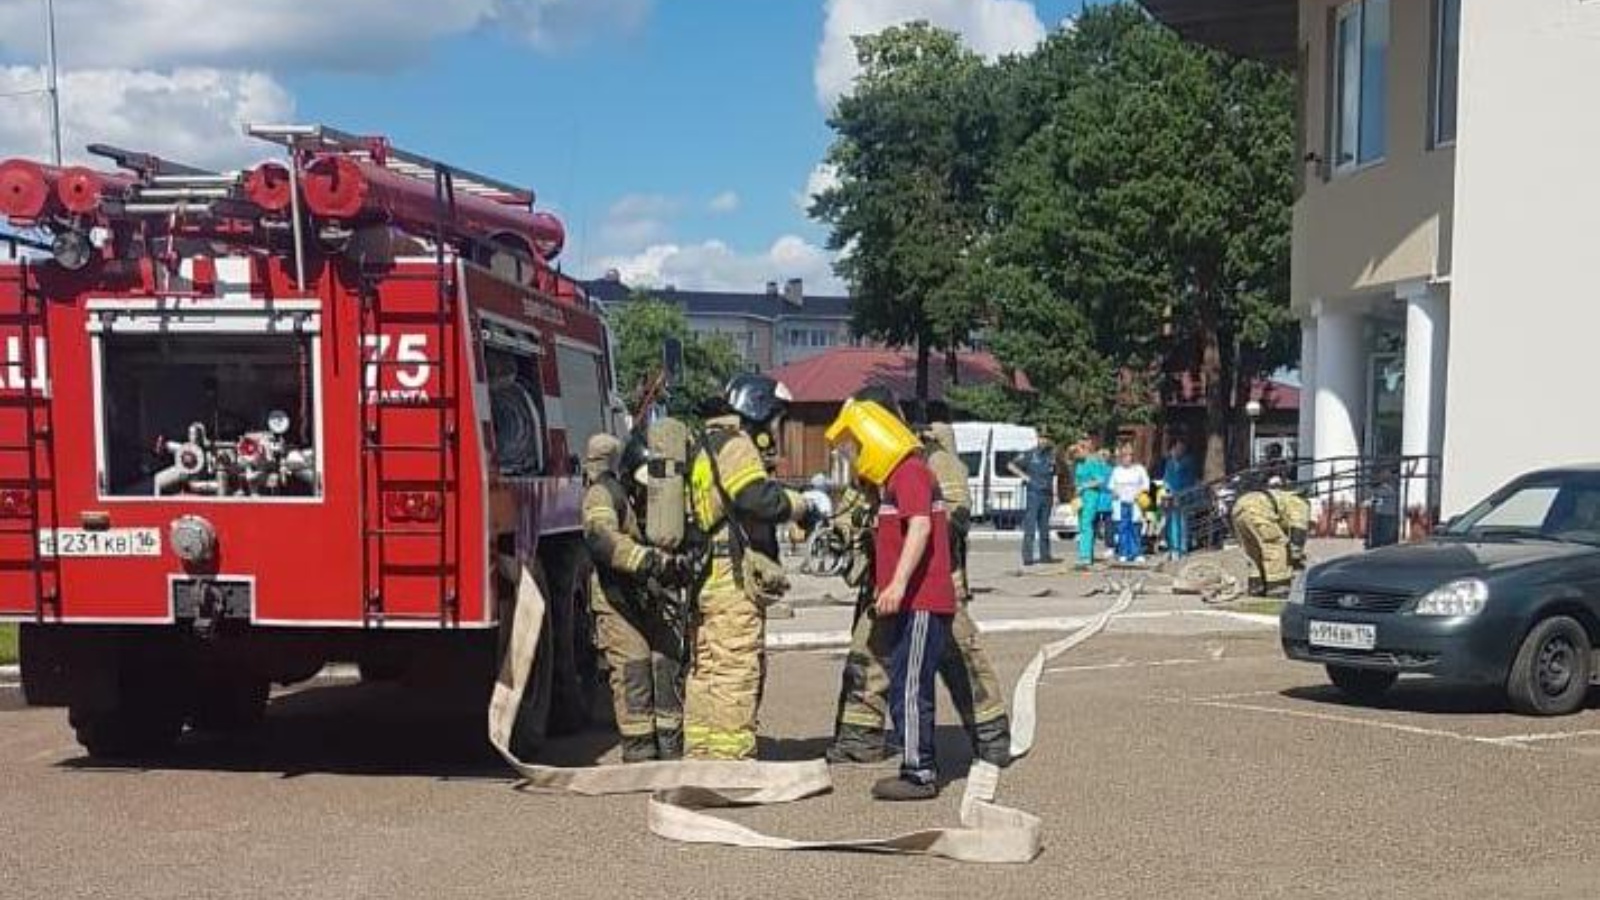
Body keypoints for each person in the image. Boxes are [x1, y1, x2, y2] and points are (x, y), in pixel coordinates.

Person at [826, 392, 1011, 769]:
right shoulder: (872, 465)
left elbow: (954, 517)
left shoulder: (929, 461)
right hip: (885, 583)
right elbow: (849, 512)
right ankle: (858, 740)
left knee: (962, 659)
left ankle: (991, 738)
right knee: (867, 656)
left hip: (933, 580)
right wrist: (842, 532)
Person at [827, 398, 958, 801]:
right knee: (904, 679)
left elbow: (919, 528)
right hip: (908, 603)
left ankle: (919, 771)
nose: (855, 455)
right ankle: (914, 763)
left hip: (921, 600)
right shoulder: (894, 480)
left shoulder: (911, 473)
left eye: (856, 444)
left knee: (911, 685)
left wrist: (899, 584)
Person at [683, 374, 818, 760]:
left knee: (707, 667)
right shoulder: (737, 444)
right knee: (735, 669)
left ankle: (702, 753)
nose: (774, 429)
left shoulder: (704, 442)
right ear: (758, 408)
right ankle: (731, 762)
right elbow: (754, 498)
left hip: (705, 572)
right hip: (731, 579)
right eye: (774, 418)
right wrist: (800, 505)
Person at [581, 433, 687, 762]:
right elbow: (600, 538)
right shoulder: (603, 493)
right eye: (643, 483)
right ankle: (639, 752)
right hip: (617, 599)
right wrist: (647, 560)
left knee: (665, 662)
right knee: (634, 668)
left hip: (649, 594)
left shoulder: (661, 499)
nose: (648, 492)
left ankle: (671, 747)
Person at [1230, 475, 1311, 594]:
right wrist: (1295, 555)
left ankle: (1256, 585)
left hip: (1239, 506)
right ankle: (1277, 588)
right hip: (1258, 509)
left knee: (1253, 549)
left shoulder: (1281, 497)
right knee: (1276, 545)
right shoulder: (1299, 502)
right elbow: (1299, 529)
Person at [1009, 434, 1058, 566]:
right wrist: (1026, 477)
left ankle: (1045, 555)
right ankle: (1028, 557)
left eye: (1047, 438)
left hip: (1048, 494)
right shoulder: (1030, 454)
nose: (1044, 441)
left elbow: (1055, 475)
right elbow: (1011, 465)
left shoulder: (1051, 456)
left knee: (1044, 526)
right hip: (1034, 494)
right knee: (1030, 526)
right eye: (1041, 438)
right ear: (1037, 439)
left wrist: (1056, 494)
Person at [1108, 444, 1151, 563]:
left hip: (1135, 503)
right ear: (1121, 457)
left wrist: (1140, 492)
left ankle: (1136, 553)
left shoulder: (1139, 469)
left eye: (1130, 455)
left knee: (1135, 528)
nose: (1128, 458)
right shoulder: (1117, 470)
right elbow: (1111, 486)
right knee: (1122, 529)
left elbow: (1146, 485)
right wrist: (1114, 492)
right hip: (1121, 503)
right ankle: (1123, 553)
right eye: (1125, 455)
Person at [1160, 439, 1197, 560]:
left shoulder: (1188, 461)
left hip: (1183, 494)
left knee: (1182, 522)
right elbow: (1166, 478)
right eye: (1177, 448)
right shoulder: (1170, 463)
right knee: (1172, 522)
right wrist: (1166, 491)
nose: (1178, 450)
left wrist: (1183, 493)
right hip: (1171, 495)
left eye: (1181, 448)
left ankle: (1182, 548)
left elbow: (1190, 480)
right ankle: (1174, 548)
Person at [1072, 440, 1106, 569]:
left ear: (1086, 449)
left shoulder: (1092, 462)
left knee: (1086, 523)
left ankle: (1085, 556)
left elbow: (1100, 480)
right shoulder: (1079, 463)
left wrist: (1085, 486)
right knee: (1081, 524)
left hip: (1091, 495)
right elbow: (1077, 479)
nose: (1076, 454)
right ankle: (1085, 554)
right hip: (1081, 496)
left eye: (1078, 451)